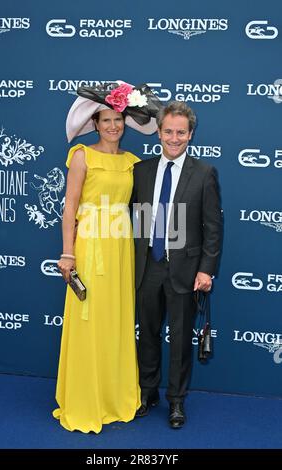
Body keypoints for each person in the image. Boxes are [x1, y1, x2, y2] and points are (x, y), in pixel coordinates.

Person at [53, 81, 162, 433]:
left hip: (120, 248)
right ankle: (86, 398)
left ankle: (114, 396)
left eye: (118, 120)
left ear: (125, 122)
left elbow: (150, 205)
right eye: (105, 120)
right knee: (89, 320)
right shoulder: (82, 155)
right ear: (95, 124)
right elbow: (70, 207)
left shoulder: (133, 163)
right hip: (89, 246)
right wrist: (68, 253)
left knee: (115, 320)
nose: (112, 126)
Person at [131, 101, 222, 429]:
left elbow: (213, 228)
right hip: (148, 267)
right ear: (158, 132)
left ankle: (176, 401)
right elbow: (137, 220)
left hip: (185, 271)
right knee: (148, 335)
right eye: (168, 131)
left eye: (180, 132)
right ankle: (147, 392)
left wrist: (206, 269)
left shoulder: (204, 173)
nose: (174, 137)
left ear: (191, 134)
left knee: (181, 339)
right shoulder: (141, 171)